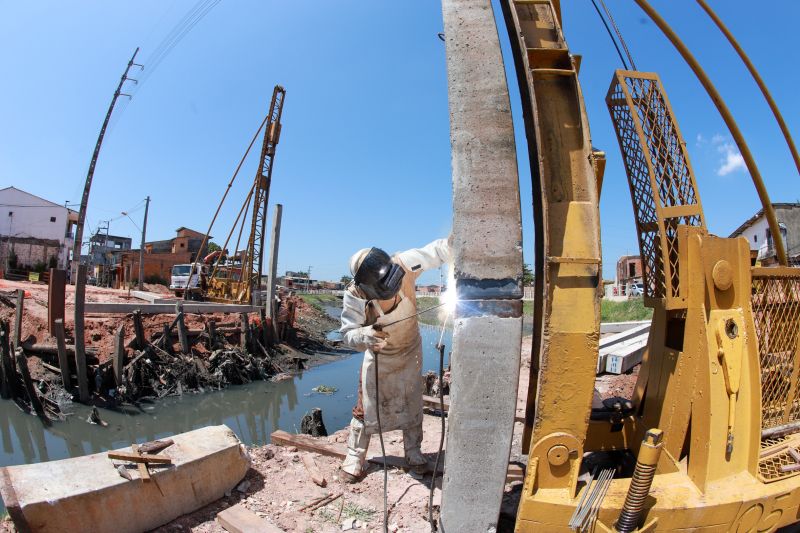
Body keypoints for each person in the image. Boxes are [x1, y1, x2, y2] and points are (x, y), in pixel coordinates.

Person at [339, 238, 450, 481]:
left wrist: (455, 242)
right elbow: (347, 334)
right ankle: (355, 456)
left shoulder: (404, 264)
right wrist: (364, 335)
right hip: (380, 356)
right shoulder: (355, 295)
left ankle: (413, 452)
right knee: (365, 406)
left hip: (410, 351)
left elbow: (438, 251)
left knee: (412, 400)